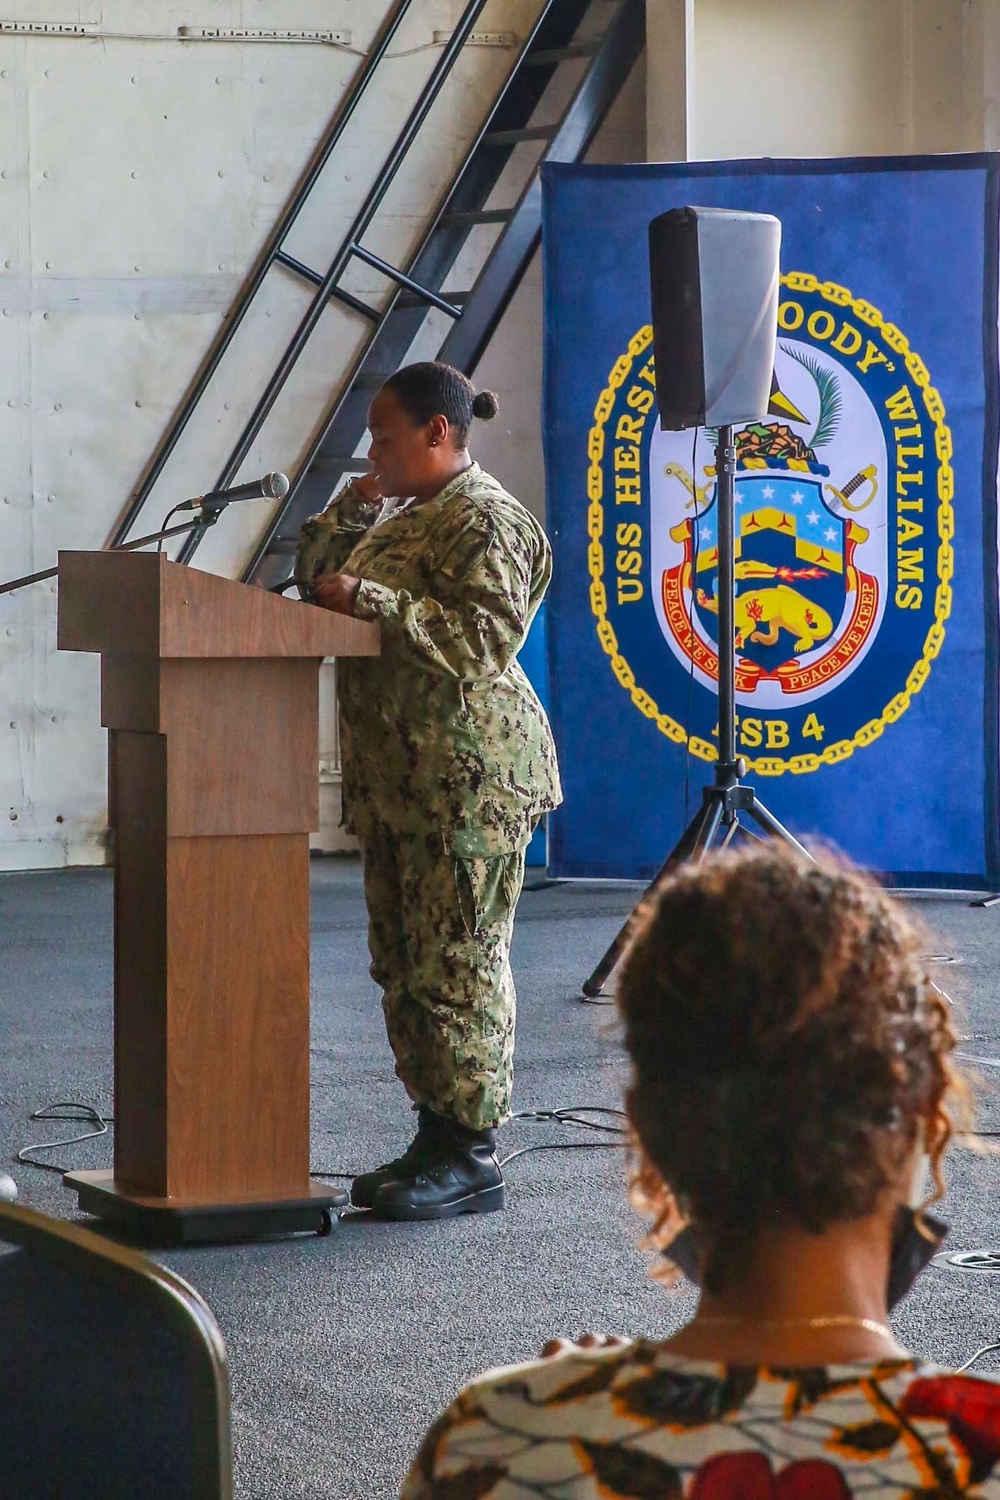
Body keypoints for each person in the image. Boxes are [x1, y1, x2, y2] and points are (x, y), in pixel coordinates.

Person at [402, 843, 1000, 1496]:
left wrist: (561, 1402)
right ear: (923, 1114)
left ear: (648, 1131)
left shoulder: (492, 1442)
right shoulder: (979, 1455)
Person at [295, 361, 561, 1221]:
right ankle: (434, 1132)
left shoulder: (487, 519)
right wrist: (357, 505)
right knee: (405, 966)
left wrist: (374, 600)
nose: (373, 450)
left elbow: (484, 640)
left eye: (384, 435)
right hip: (402, 782)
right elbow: (316, 579)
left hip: (468, 783)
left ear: (436, 433)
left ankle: (470, 1150)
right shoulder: (404, 513)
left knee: (460, 964)